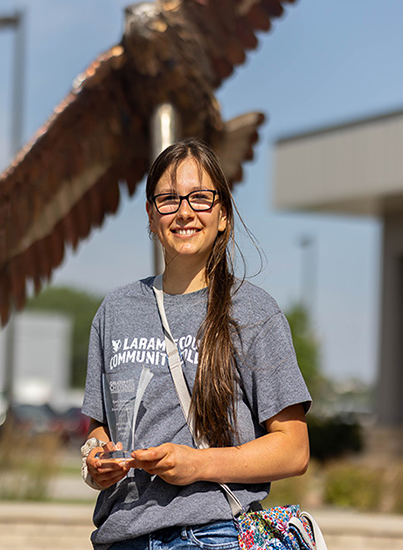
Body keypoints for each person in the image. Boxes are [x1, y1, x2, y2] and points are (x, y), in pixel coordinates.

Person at [82, 138, 311, 550]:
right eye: (168, 199)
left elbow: (294, 449)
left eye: (200, 198)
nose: (184, 211)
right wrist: (96, 460)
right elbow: (102, 426)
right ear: (151, 217)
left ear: (222, 214)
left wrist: (197, 464)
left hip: (213, 535)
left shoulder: (255, 312)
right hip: (121, 538)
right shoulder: (114, 311)